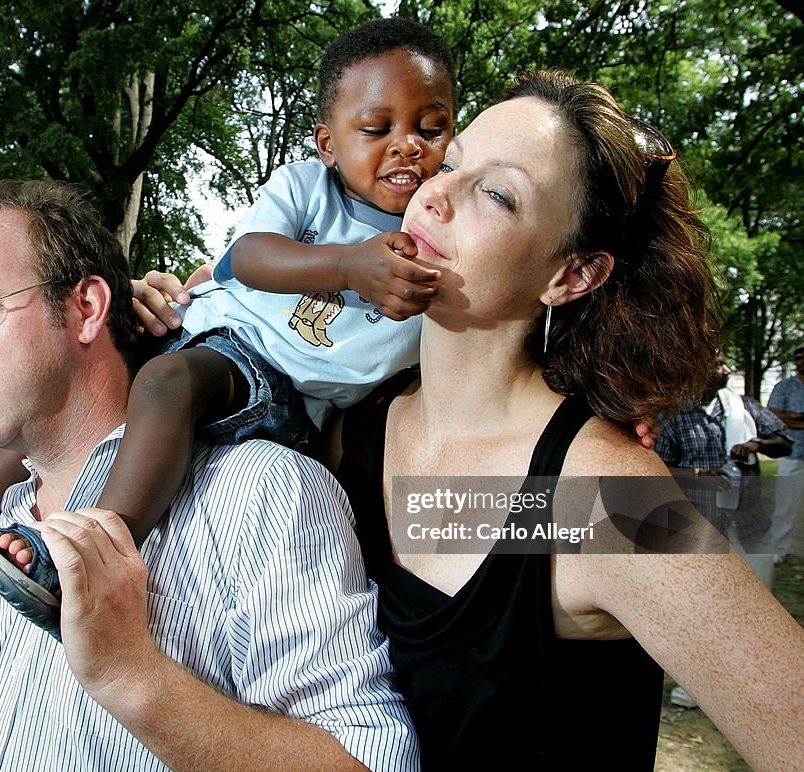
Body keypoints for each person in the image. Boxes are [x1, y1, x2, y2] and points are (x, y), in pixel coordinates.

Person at [0, 179, 418, 769]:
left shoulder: (258, 494)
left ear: (86, 308)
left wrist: (132, 676)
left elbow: (370, 760)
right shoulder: (1, 517)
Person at [324, 70, 804, 768]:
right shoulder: (349, 424)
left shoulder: (603, 500)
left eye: (496, 192)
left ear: (572, 275)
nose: (434, 193)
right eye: (451, 162)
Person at [0, 18, 456, 600]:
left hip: (281, 383)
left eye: (433, 128)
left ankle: (87, 556)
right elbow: (248, 256)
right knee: (57, 385)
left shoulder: (449, 234)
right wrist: (349, 267)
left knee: (169, 382)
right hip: (207, 327)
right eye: (377, 128)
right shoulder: (306, 187)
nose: (408, 144)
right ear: (327, 144)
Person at [655, 351, 791, 582]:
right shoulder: (672, 416)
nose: (726, 371)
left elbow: (784, 443)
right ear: (695, 369)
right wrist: (697, 475)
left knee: (759, 593)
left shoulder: (745, 407)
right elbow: (657, 471)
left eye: (725, 365)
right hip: (699, 526)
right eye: (718, 365)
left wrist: (756, 444)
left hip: (748, 523)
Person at [767, 345, 804, 564]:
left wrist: (795, 418)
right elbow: (777, 417)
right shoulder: (785, 387)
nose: (801, 361)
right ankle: (778, 548)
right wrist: (793, 418)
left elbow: (788, 417)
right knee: (786, 504)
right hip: (792, 454)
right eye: (798, 357)